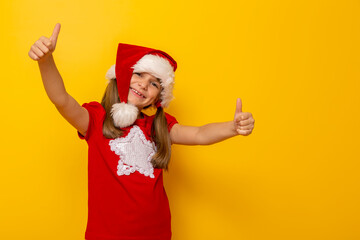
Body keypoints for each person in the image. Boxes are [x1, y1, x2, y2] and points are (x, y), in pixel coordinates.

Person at [28, 23, 255, 240]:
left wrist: (232, 127)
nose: (144, 85)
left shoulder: (159, 127)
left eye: (155, 83)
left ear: (158, 98)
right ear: (121, 75)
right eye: (139, 75)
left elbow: (199, 135)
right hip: (107, 235)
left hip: (156, 233)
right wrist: (46, 61)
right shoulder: (96, 120)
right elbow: (61, 100)